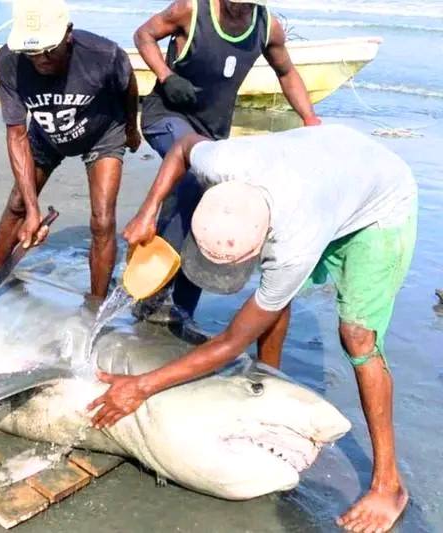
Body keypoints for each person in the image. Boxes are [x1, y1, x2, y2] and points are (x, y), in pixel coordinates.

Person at [88, 125, 417, 533]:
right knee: (275, 297)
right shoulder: (221, 163)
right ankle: (268, 377)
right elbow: (184, 147)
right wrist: (149, 209)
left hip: (380, 202)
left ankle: (389, 485)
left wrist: (141, 386)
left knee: (357, 337)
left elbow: (231, 341)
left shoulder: (294, 244)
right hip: (327, 167)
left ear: (264, 239)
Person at [133, 0, 320, 323]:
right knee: (192, 176)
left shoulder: (266, 26)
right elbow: (144, 35)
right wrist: (166, 76)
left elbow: (286, 72)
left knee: (207, 201)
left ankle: (182, 308)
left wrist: (310, 120)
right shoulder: (189, 10)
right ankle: (153, 289)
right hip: (166, 115)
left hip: (213, 133)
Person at [0, 0, 140, 299]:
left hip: (103, 133)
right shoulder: (9, 62)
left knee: (102, 220)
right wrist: (33, 211)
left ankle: (95, 301)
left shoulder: (105, 55)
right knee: (18, 203)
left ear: (67, 34)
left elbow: (129, 87)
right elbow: (17, 134)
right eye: (32, 51)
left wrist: (131, 128)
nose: (41, 59)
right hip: (47, 133)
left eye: (49, 49)